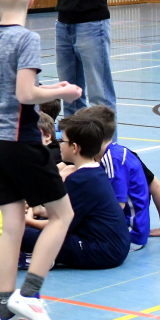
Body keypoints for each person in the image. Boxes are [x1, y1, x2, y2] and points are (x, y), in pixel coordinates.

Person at [0, 0, 83, 320]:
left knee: (11, 227)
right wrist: (62, 91)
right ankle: (31, 293)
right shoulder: (27, 39)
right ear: (32, 0)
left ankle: (5, 313)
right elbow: (25, 94)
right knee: (62, 215)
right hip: (19, 141)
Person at [23, 115, 130, 270]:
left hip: (101, 251)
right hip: (113, 246)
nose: (59, 144)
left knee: (21, 234)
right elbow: (72, 211)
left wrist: (28, 222)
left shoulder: (80, 180)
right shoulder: (94, 171)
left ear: (74, 147)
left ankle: (32, 257)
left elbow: (60, 225)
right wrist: (40, 210)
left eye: (62, 141)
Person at [74, 106, 151, 250]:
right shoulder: (116, 152)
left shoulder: (112, 159)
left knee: (65, 230)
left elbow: (117, 206)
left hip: (129, 233)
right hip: (134, 230)